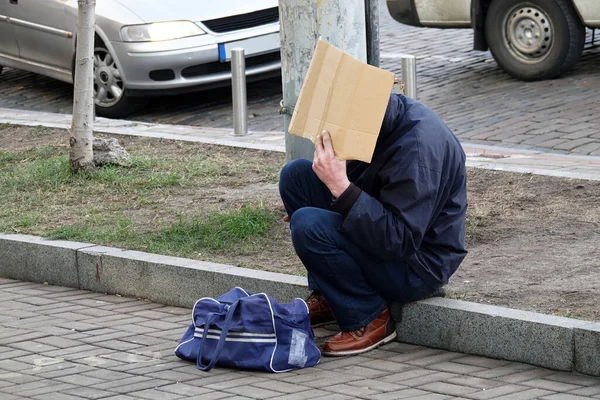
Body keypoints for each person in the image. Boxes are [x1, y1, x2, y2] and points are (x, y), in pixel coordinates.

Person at [278, 93, 468, 356]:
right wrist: (330, 193)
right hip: (388, 237)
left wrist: (339, 188)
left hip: (417, 266)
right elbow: (369, 190)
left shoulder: (417, 150)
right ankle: (332, 297)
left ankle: (368, 317)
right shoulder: (380, 119)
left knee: (308, 224)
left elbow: (400, 241)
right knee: (296, 176)